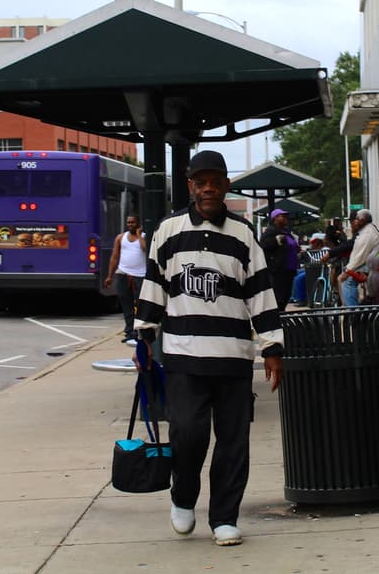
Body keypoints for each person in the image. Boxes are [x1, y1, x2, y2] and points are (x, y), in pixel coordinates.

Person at [134, 149, 284, 548]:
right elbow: (153, 287)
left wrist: (272, 347)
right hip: (183, 355)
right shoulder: (167, 230)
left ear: (225, 185)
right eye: (200, 181)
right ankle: (183, 498)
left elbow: (261, 293)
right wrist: (144, 337)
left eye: (214, 181)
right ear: (190, 186)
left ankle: (224, 517)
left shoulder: (244, 233)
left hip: (234, 357)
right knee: (187, 433)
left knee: (233, 441)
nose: (208, 188)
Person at [103, 214, 147, 343]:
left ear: (138, 223)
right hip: (123, 274)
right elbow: (114, 257)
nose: (130, 225)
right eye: (128, 222)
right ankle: (129, 331)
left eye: (133, 222)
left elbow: (146, 249)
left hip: (140, 275)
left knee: (141, 304)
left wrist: (139, 235)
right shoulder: (120, 238)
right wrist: (109, 276)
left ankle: (141, 331)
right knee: (126, 304)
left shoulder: (144, 237)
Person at [259, 207, 300, 310]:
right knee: (279, 296)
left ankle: (282, 315)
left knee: (286, 295)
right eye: (282, 216)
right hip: (278, 270)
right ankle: (279, 318)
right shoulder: (271, 230)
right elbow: (263, 245)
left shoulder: (286, 231)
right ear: (275, 218)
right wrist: (276, 240)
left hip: (289, 270)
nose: (286, 218)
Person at [340, 209, 379, 307]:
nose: (353, 223)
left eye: (355, 220)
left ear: (362, 220)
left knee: (347, 282)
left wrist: (347, 271)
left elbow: (359, 257)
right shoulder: (367, 231)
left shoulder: (367, 234)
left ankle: (354, 313)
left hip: (372, 265)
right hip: (371, 263)